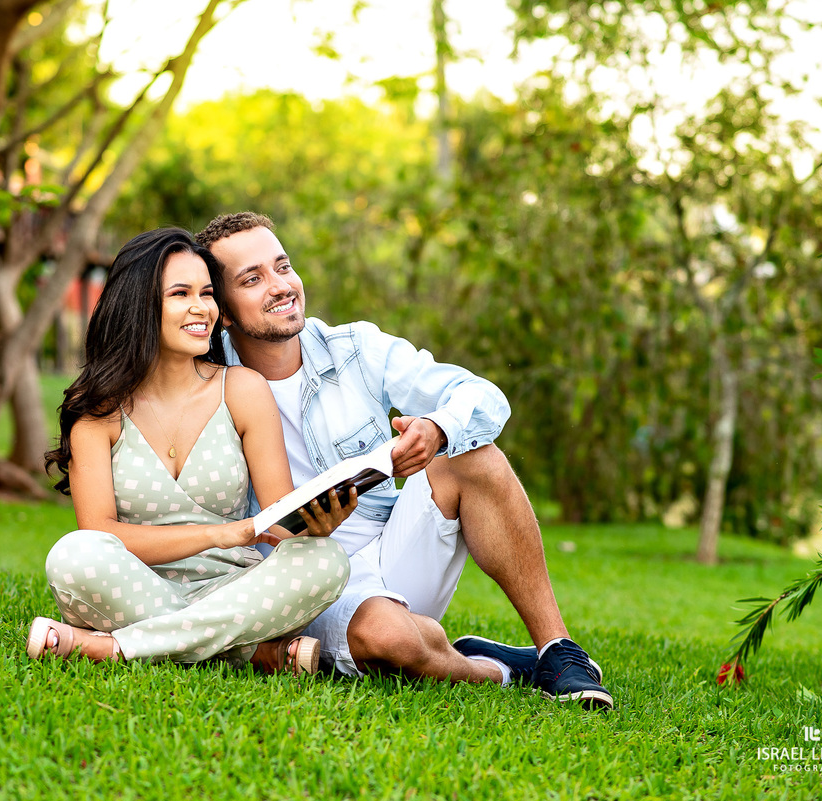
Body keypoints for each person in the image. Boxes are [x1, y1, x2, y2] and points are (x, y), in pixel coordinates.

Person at [195, 212, 612, 708]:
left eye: (283, 267)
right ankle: (497, 669)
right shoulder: (203, 383)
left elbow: (481, 395)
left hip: (396, 552)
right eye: (253, 279)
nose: (281, 286)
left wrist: (437, 429)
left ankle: (558, 650)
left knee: (471, 451)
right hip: (302, 585)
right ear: (221, 310)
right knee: (391, 640)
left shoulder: (354, 348)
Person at [27, 227, 355, 675]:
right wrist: (222, 533)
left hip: (238, 589)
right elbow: (101, 531)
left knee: (326, 560)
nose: (201, 308)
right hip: (136, 586)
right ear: (141, 305)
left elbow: (278, 523)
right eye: (181, 294)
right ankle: (248, 651)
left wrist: (314, 525)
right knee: (74, 554)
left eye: (207, 293)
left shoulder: (242, 390)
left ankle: (117, 647)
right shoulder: (98, 410)